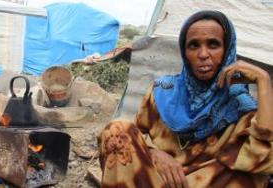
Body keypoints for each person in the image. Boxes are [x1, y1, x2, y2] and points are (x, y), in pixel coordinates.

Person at [98, 10, 273, 188]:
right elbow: (138, 136)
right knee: (116, 130)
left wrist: (264, 81)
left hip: (202, 183)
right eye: (193, 45)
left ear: (227, 49)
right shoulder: (162, 93)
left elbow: (264, 158)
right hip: (154, 181)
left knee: (250, 175)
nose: (203, 54)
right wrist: (152, 153)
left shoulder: (239, 105)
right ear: (184, 51)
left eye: (213, 45)